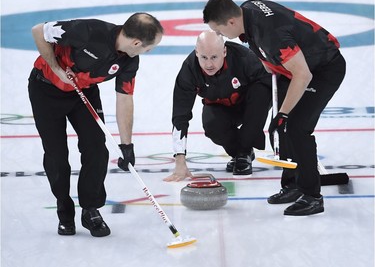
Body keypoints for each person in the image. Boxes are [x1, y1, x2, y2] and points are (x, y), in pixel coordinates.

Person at [203, 0, 346, 216]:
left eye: (220, 31)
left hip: (321, 70)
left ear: (231, 21)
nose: (221, 37)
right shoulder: (247, 10)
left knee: (295, 127)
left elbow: (303, 74)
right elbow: (258, 40)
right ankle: (293, 184)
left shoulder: (270, 34)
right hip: (290, 68)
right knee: (281, 129)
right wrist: (267, 62)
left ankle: (312, 196)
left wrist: (284, 114)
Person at [28, 13, 163, 236]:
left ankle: (90, 210)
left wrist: (126, 146)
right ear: (137, 42)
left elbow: (125, 98)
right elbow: (38, 30)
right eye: (149, 47)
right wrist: (56, 69)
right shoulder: (87, 32)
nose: (148, 52)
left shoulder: (129, 61)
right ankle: (64, 209)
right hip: (46, 90)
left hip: (84, 93)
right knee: (57, 156)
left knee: (97, 150)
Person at [163, 30, 272, 182]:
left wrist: (282, 118)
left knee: (260, 92)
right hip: (220, 107)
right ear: (196, 53)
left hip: (250, 103)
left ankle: (244, 151)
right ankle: (241, 153)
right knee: (211, 125)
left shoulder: (244, 58)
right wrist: (180, 161)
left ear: (224, 51)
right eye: (203, 57)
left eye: (214, 57)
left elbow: (270, 85)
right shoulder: (189, 71)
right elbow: (180, 115)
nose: (209, 64)